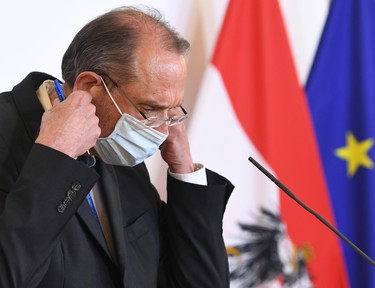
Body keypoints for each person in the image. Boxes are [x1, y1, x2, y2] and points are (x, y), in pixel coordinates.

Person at [0, 5, 234, 288]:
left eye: (171, 113)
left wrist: (184, 170)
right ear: (89, 87)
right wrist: (55, 157)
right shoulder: (7, 134)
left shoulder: (119, 151)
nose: (162, 131)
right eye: (150, 110)